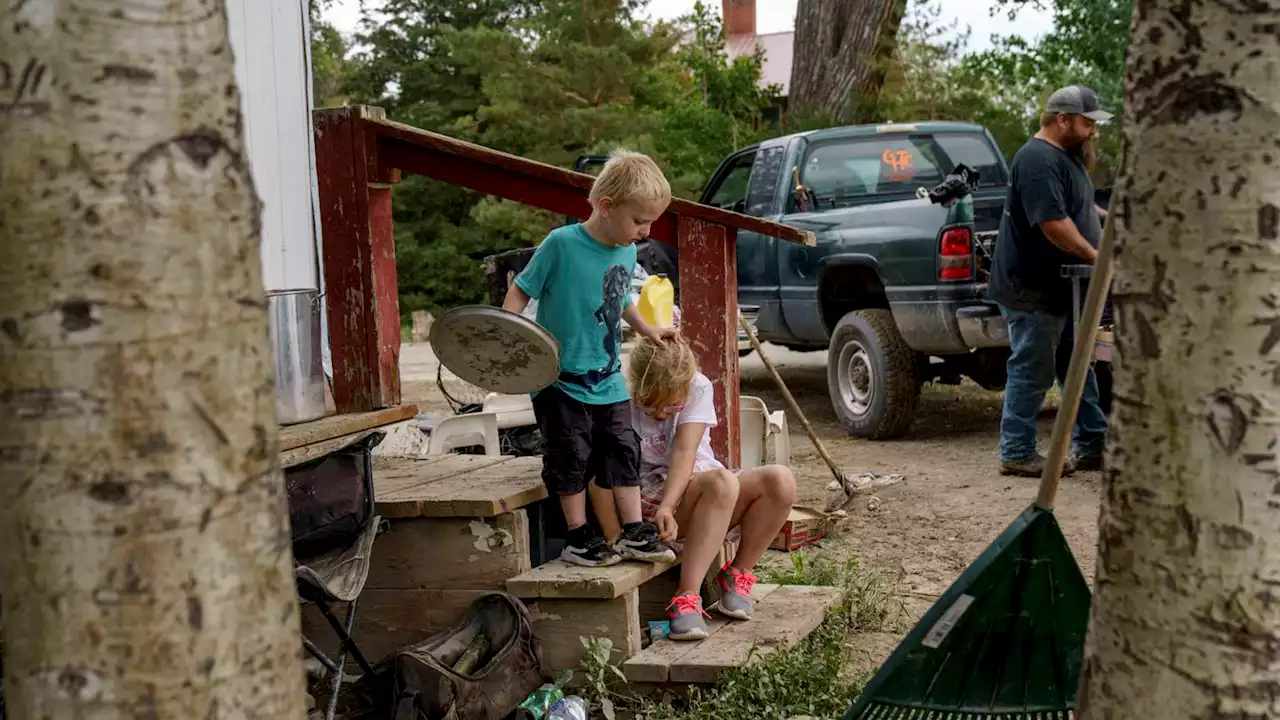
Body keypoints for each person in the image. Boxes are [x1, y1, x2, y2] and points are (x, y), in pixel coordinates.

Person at [503, 149, 679, 567]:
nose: (646, 231)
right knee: (571, 455)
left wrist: (648, 330)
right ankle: (578, 537)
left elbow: (619, 299)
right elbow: (521, 289)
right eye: (639, 221)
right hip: (559, 378)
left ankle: (634, 531)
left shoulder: (627, 251)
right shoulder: (562, 245)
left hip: (607, 377)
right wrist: (505, 333)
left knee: (622, 447)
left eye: (651, 221)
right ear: (606, 206)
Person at [609, 336, 797, 641]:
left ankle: (738, 575)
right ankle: (686, 598)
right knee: (722, 482)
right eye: (650, 406)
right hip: (647, 496)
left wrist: (670, 505)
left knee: (781, 481)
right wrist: (663, 508)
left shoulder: (698, 386)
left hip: (690, 489)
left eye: (670, 407)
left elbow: (685, 452)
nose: (659, 415)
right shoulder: (621, 393)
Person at [987, 85, 1111, 477]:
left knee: (1078, 366)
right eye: (1087, 122)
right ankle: (1018, 451)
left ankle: (1093, 442)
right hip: (1033, 289)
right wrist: (1096, 256)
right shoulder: (1038, 158)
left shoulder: (1063, 157)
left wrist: (1104, 218)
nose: (1093, 131)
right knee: (1033, 367)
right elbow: (1053, 223)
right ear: (1062, 120)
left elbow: (1070, 203)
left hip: (1062, 289)